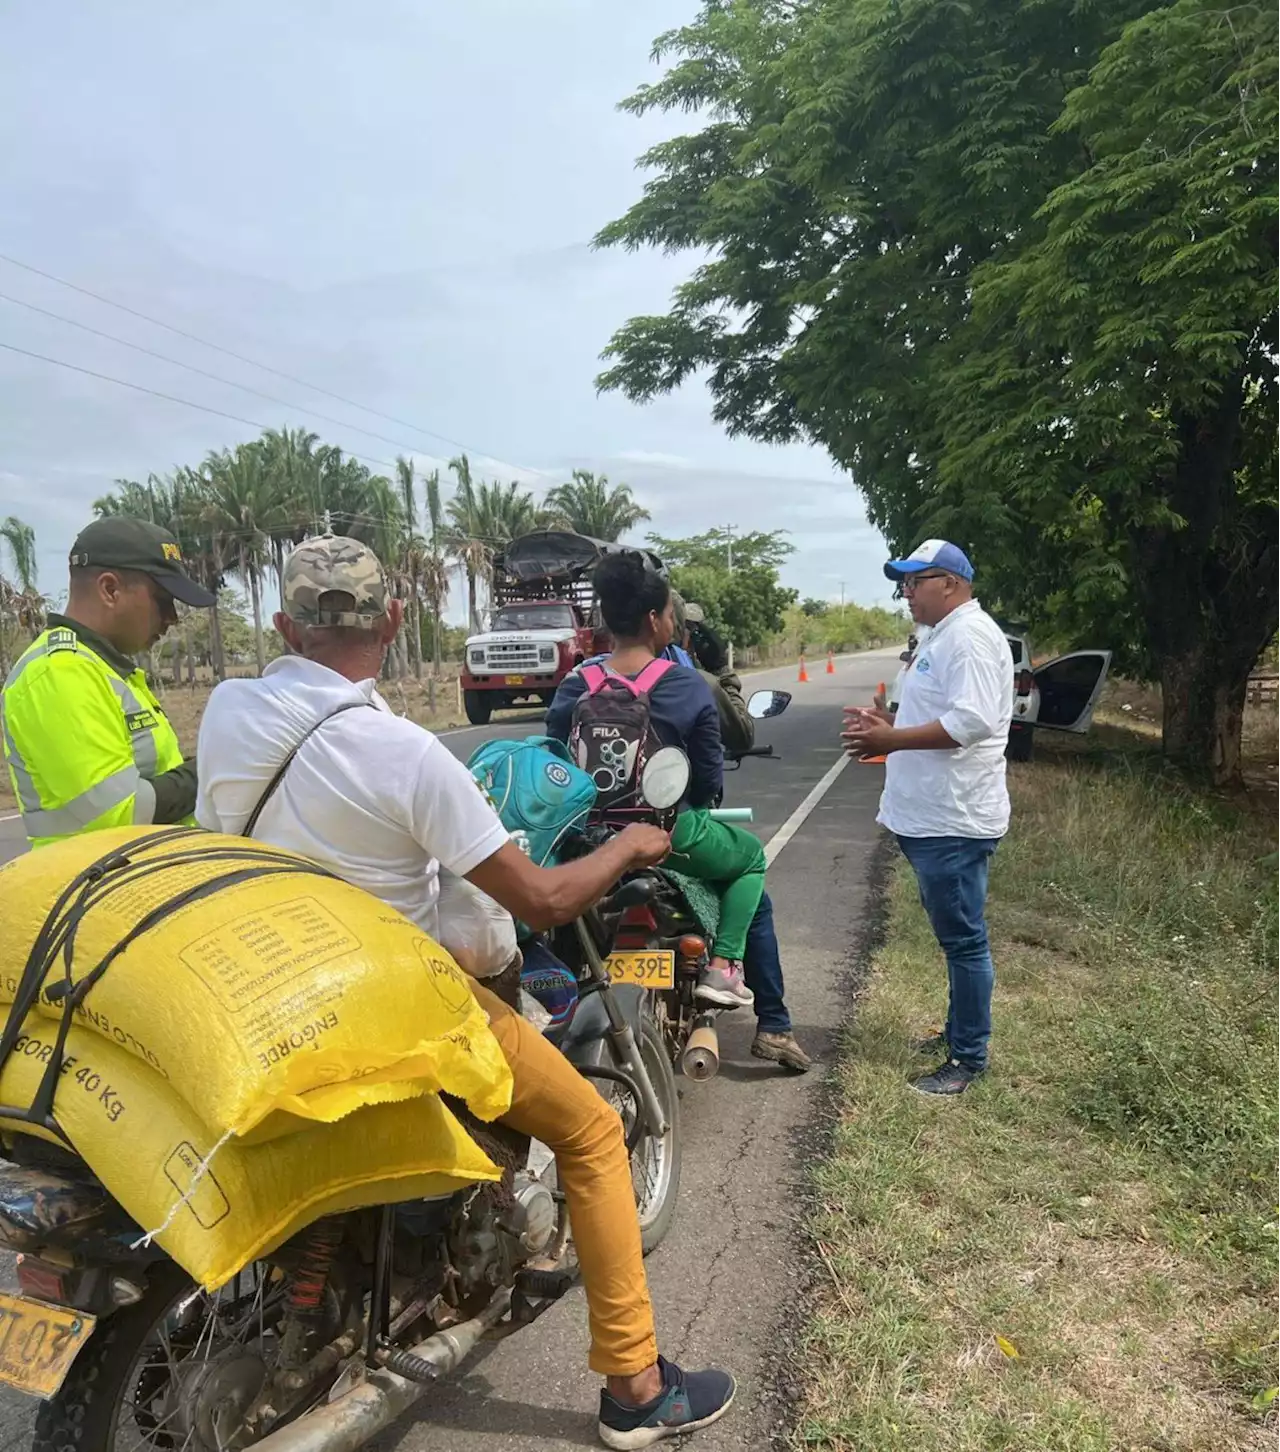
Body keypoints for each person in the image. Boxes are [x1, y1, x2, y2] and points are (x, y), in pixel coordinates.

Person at [196, 536, 736, 1449]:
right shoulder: (405, 755)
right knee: (595, 1132)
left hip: (266, 992)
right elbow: (545, 897)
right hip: (389, 1005)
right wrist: (631, 846)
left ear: (284, 626)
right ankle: (638, 1390)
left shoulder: (224, 711)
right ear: (395, 621)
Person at [547, 554, 766, 1011]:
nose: (673, 623)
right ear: (653, 620)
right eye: (670, 614)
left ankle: (556, 991)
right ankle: (724, 969)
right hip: (669, 836)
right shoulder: (688, 685)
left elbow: (555, 765)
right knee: (750, 859)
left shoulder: (574, 685)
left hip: (587, 841)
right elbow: (706, 782)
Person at [842, 540, 1013, 1097]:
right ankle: (959, 1032)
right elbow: (938, 712)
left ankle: (968, 1059)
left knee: (964, 941)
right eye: (904, 583)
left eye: (917, 581)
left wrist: (890, 737)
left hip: (955, 817)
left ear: (952, 583)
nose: (907, 592)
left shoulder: (970, 637)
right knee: (954, 938)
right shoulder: (942, 636)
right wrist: (890, 720)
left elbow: (972, 721)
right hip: (931, 815)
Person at [1, 517, 215, 848]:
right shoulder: (59, 672)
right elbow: (122, 813)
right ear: (110, 590)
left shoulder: (104, 668)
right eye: (163, 600)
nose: (172, 617)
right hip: (98, 887)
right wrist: (213, 768)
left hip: (144, 877)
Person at [668, 594, 813, 1074]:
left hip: (603, 835)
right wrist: (722, 672)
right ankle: (768, 1019)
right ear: (665, 624)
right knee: (752, 879)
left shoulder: (588, 678)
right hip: (677, 829)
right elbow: (739, 736)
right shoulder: (694, 681)